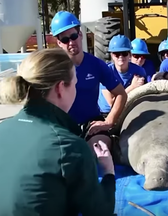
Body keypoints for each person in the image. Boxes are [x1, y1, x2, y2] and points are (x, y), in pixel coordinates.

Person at [0, 48, 116, 215]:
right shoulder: (69, 147)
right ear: (61, 88)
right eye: (75, 84)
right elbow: (100, 211)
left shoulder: (3, 129)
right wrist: (108, 171)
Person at [51, 11, 127, 150]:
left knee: (101, 150)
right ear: (59, 43)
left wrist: (109, 121)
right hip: (62, 126)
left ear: (80, 35)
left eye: (74, 36)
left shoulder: (96, 65)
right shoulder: (54, 69)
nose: (71, 42)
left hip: (91, 124)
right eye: (65, 39)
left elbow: (121, 94)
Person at [98, 35, 146, 116]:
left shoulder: (139, 71)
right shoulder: (106, 71)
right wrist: (133, 87)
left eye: (124, 53)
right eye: (117, 54)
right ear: (112, 55)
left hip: (130, 108)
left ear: (130, 55)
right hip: (108, 113)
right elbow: (112, 102)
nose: (121, 57)